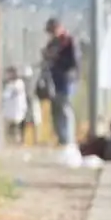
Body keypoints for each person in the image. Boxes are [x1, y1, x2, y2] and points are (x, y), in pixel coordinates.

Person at [42, 18, 79, 146]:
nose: (51, 34)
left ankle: (68, 138)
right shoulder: (52, 43)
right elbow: (47, 59)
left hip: (66, 79)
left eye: (53, 31)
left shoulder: (68, 41)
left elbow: (74, 62)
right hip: (54, 79)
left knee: (65, 108)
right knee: (55, 109)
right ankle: (61, 138)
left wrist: (57, 58)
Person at [2, 66, 28, 145]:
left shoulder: (17, 84)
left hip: (15, 112)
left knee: (15, 131)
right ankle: (13, 143)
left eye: (9, 73)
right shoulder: (12, 84)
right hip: (11, 113)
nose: (7, 75)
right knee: (11, 131)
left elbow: (6, 95)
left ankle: (16, 142)